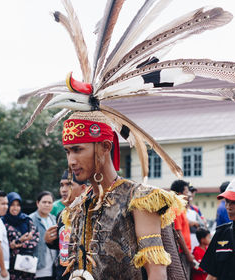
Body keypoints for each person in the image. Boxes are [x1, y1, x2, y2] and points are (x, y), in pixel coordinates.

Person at [59, 111, 186, 280]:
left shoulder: (138, 199)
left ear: (105, 146)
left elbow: (157, 272)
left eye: (77, 150)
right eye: (68, 152)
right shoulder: (77, 206)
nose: (71, 160)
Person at [200, 177, 235, 280]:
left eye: (234, 202)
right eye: (227, 201)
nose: (228, 206)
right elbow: (212, 275)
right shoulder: (221, 234)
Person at [44, 170, 87, 280]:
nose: (63, 190)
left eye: (69, 185)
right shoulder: (61, 214)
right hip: (63, 275)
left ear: (83, 188)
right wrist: (49, 241)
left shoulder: (91, 213)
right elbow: (64, 244)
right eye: (61, 185)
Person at [3, 192, 39, 280]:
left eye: (18, 205)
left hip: (28, 264)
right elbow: (2, 245)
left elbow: (35, 239)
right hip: (11, 266)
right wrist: (21, 240)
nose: (15, 208)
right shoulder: (2, 222)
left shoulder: (26, 220)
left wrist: (17, 244)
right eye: (12, 205)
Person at [29, 191, 57, 280]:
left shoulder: (54, 219)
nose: (47, 205)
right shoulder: (30, 219)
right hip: (37, 267)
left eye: (49, 202)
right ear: (38, 203)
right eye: (44, 202)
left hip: (53, 266)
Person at [171, 179, 194, 278]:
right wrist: (188, 254)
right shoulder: (176, 209)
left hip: (184, 252)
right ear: (179, 193)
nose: (188, 195)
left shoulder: (181, 208)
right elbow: (178, 233)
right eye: (186, 192)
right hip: (182, 253)